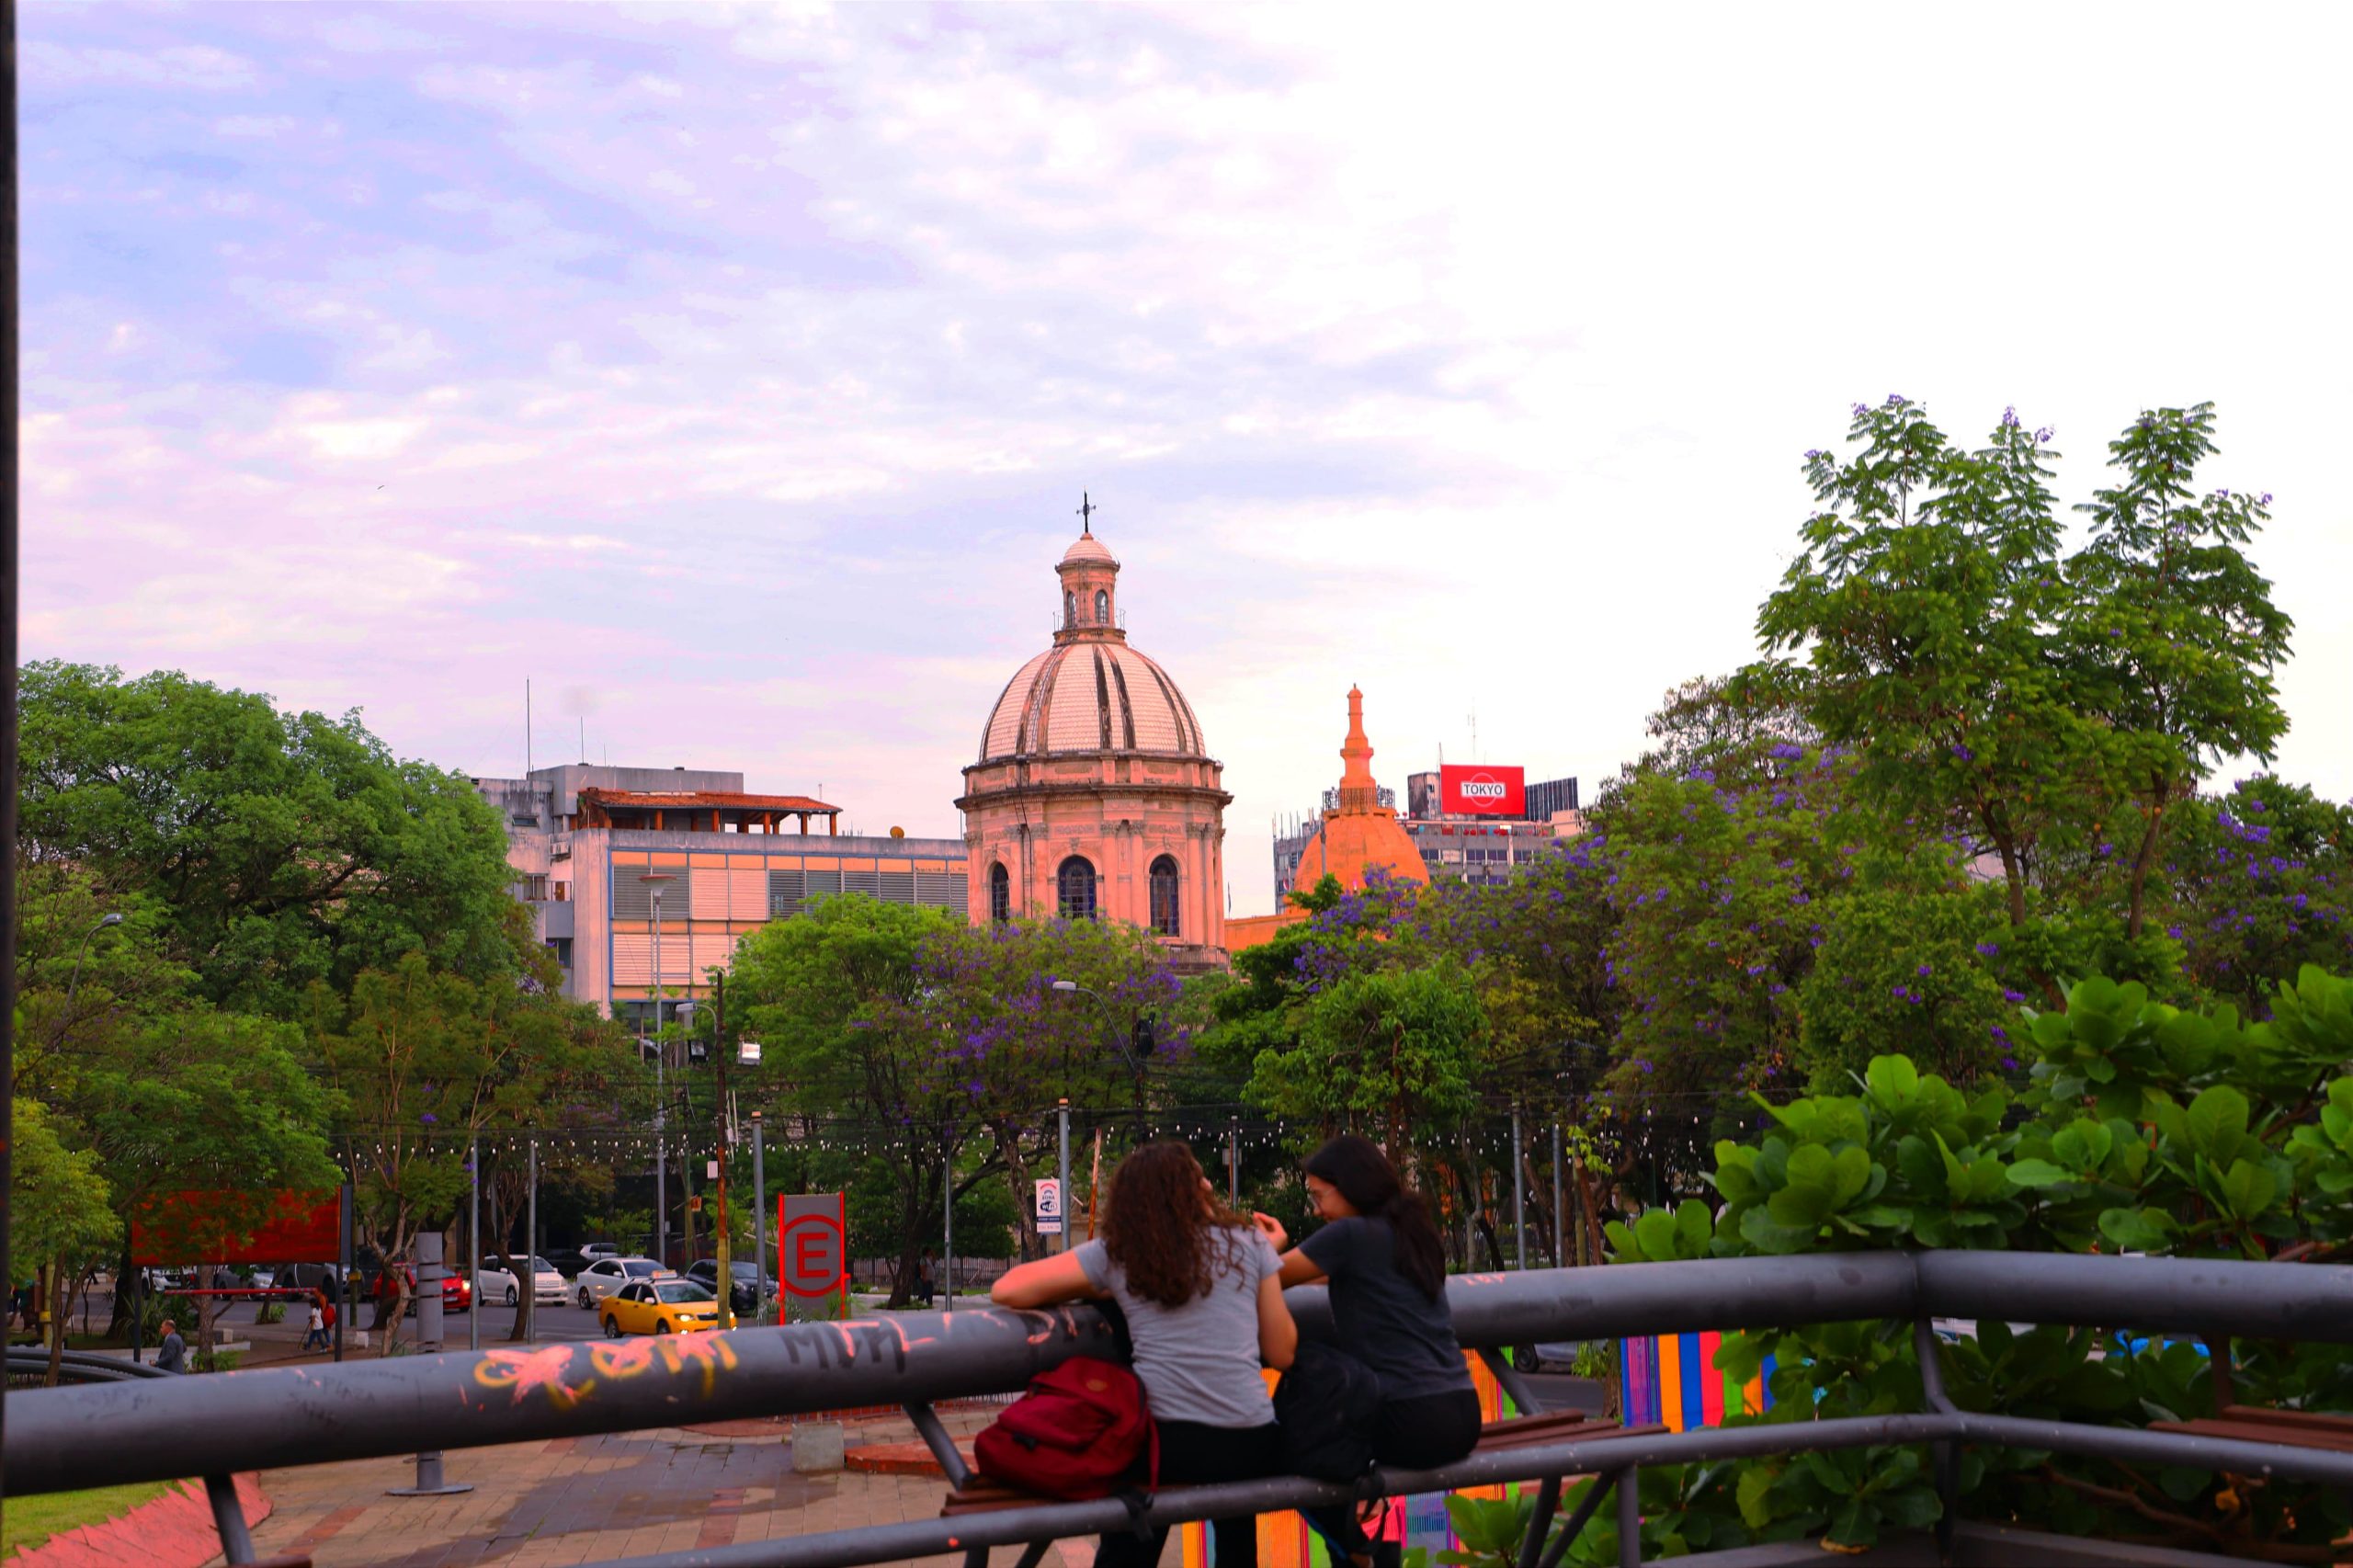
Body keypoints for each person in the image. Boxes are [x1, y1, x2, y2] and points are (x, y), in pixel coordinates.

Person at [995, 1141, 1297, 1568]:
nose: (1209, 1182)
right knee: (1235, 1530)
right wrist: (1268, 1258)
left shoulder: (1122, 1255)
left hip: (1166, 1440)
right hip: (1250, 1440)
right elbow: (1283, 1352)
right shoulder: (1251, 1244)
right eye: (1199, 1177)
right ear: (1191, 1191)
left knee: (1131, 1527)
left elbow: (1006, 1289)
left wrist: (1095, 1283)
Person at [1257, 1135, 1481, 1568]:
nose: (1317, 1210)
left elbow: (1271, 1276)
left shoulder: (1349, 1236)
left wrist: (1268, 1249)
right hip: (1461, 1414)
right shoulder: (1413, 1233)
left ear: (1350, 1187)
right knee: (1342, 1459)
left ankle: (1357, 1551)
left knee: (1283, 1450)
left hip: (1407, 1420)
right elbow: (1335, 1280)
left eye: (1319, 1196)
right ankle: (1362, 1546)